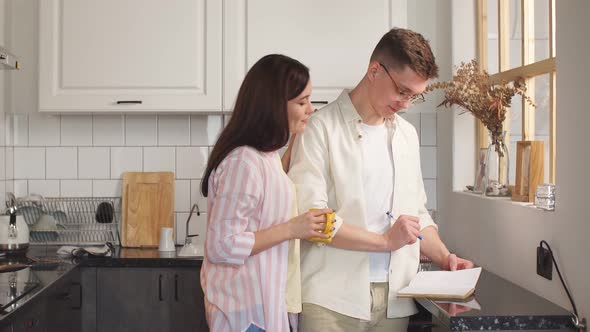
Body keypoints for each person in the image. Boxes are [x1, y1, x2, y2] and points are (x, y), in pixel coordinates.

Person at [287, 28, 475, 332]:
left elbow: (418, 214)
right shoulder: (320, 128)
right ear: (375, 70)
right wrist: (386, 242)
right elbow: (312, 220)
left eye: (414, 95)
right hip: (330, 300)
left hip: (395, 299)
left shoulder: (407, 136)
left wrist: (444, 257)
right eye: (401, 91)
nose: (406, 104)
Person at [200, 54, 332, 332]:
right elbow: (222, 245)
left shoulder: (264, 157)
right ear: (274, 106)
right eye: (302, 102)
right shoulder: (242, 163)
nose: (311, 109)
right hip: (246, 314)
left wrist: (296, 136)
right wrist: (293, 228)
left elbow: (270, 189)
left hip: (259, 307)